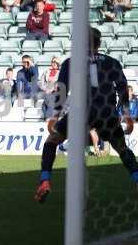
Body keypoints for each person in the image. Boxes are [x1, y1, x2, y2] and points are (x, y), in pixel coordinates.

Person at [34, 27, 138, 203]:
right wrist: (126, 115)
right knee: (122, 149)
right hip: (107, 112)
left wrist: (54, 116)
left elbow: (62, 89)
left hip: (81, 111)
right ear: (99, 43)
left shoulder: (71, 62)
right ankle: (137, 180)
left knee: (51, 142)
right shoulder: (112, 62)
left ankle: (45, 181)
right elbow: (122, 89)